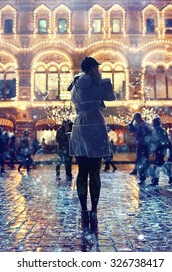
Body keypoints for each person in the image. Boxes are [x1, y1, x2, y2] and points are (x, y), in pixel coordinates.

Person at [68, 56, 116, 236]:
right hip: (94, 124)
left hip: (79, 125)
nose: (99, 71)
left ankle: (83, 209)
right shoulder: (93, 82)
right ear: (92, 69)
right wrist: (106, 83)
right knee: (94, 170)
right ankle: (93, 210)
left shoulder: (75, 83)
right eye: (97, 68)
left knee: (82, 170)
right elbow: (110, 96)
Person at [149, 117, 172, 186]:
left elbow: (156, 141)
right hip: (161, 149)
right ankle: (168, 176)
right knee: (160, 164)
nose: (153, 124)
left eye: (154, 122)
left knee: (157, 164)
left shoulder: (158, 130)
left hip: (160, 149)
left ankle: (155, 180)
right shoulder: (161, 130)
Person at [128, 113, 152, 184]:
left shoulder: (144, 125)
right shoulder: (137, 125)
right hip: (140, 145)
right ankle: (142, 177)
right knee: (140, 161)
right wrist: (132, 120)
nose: (135, 120)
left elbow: (149, 133)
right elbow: (130, 128)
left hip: (144, 146)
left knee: (144, 162)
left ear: (139, 118)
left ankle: (147, 176)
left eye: (135, 119)